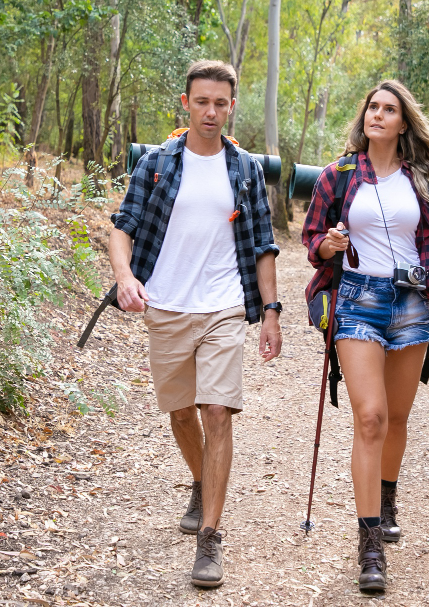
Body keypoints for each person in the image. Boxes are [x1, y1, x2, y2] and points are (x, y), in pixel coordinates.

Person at [109, 60, 283, 588]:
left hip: (224, 306)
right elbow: (123, 230)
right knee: (181, 413)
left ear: (233, 106)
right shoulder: (158, 164)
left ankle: (210, 538)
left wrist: (270, 312)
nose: (212, 111)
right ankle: (200, 480)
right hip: (165, 306)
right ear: (186, 104)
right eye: (202, 101)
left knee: (216, 411)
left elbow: (262, 246)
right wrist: (124, 278)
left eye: (221, 103)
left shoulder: (246, 169)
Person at [301, 80, 429, 593]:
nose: (379, 115)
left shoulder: (422, 180)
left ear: (403, 123)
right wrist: (328, 245)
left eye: (389, 109)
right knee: (369, 417)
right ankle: (370, 547)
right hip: (358, 300)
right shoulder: (340, 175)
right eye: (373, 106)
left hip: (411, 302)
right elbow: (312, 242)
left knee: (395, 418)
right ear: (364, 116)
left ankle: (387, 496)